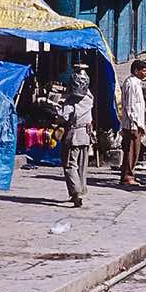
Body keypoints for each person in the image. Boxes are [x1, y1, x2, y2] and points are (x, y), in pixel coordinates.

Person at [58, 68, 94, 207]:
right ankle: (81, 189)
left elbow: (63, 117)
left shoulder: (70, 102)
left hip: (73, 135)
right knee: (82, 165)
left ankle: (76, 192)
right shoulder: (89, 98)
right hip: (86, 135)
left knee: (70, 165)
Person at [120, 59, 146, 185]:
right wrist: (136, 124)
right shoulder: (131, 84)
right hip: (132, 124)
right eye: (143, 70)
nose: (145, 73)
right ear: (136, 71)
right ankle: (127, 176)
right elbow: (130, 106)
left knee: (133, 151)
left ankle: (128, 174)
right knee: (131, 151)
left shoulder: (136, 83)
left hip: (135, 123)